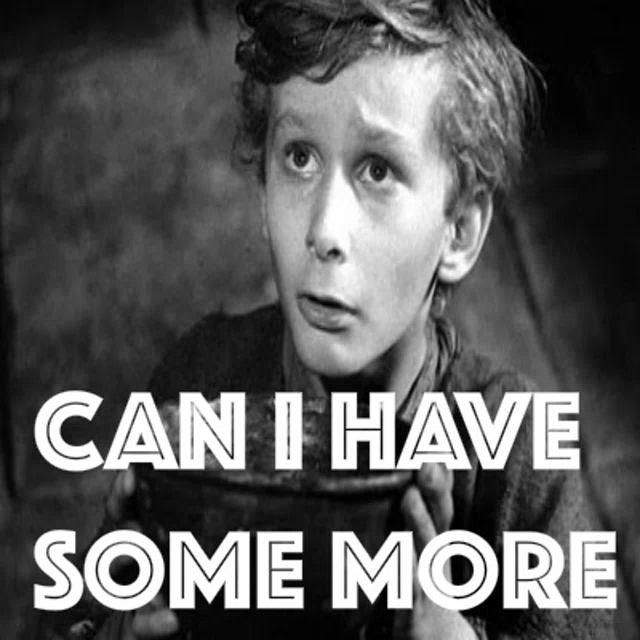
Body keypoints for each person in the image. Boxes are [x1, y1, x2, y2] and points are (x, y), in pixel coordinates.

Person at [40, 0, 613, 638]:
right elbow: (77, 615)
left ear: (459, 231)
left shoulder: (518, 457)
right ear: (263, 193)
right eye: (299, 159)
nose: (325, 230)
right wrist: (115, 617)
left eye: (378, 170)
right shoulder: (200, 384)